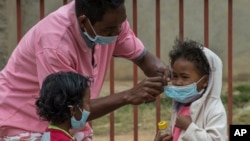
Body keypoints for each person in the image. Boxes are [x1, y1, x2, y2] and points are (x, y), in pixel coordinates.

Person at [0, 0, 169, 140]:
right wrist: (128, 95)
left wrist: (163, 72)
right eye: (109, 30)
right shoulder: (55, 43)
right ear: (83, 21)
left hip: (69, 124)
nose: (118, 32)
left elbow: (142, 56)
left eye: (121, 24)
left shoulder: (113, 21)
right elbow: (67, 109)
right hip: (24, 121)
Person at [154, 38, 228, 141]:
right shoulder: (180, 104)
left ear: (205, 81)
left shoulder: (215, 110)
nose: (178, 82)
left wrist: (189, 127)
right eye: (175, 76)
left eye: (184, 77)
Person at [36, 72, 91, 141]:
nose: (89, 109)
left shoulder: (51, 134)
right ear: (73, 110)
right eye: (88, 102)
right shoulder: (60, 138)